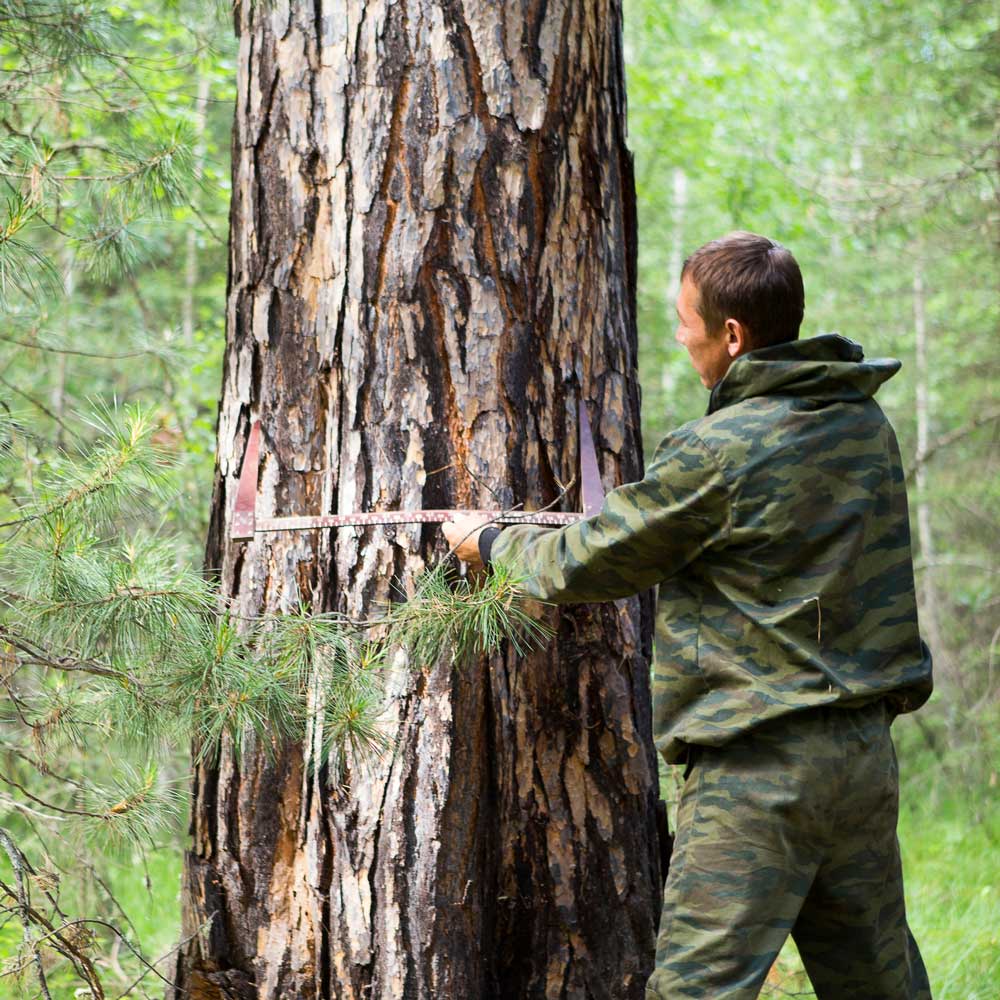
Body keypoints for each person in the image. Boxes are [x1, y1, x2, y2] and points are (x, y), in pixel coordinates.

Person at [443, 231, 934, 999]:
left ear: (732, 335)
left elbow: (591, 560)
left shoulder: (720, 450)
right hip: (863, 759)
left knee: (697, 992)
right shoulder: (863, 426)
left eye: (684, 321)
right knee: (879, 987)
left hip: (758, 768)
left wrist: (492, 544)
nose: (679, 337)